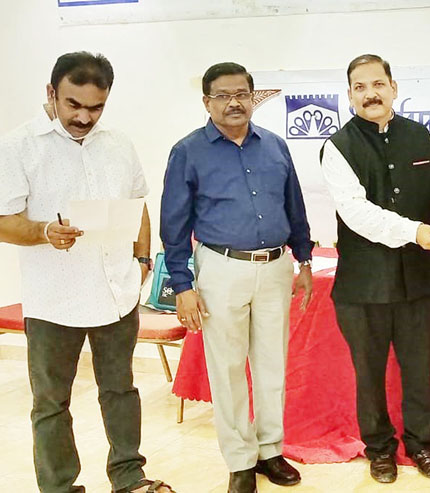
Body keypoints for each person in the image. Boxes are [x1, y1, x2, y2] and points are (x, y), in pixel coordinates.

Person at [0, 52, 173, 493]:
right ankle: (59, 487)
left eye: (96, 107)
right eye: (73, 105)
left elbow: (137, 205)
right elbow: (3, 221)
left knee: (121, 391)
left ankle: (129, 478)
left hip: (116, 292)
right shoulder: (19, 146)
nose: (83, 117)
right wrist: (44, 231)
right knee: (51, 402)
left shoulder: (118, 143)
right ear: (51, 93)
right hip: (53, 299)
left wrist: (142, 260)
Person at [159, 62, 313, 493]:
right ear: (206, 102)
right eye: (223, 96)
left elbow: (294, 206)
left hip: (276, 267)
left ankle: (270, 451)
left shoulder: (275, 147)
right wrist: (182, 286)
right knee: (227, 368)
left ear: (253, 97)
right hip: (221, 269)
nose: (234, 103)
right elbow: (174, 224)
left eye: (242, 94)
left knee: (272, 365)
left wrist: (303, 259)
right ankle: (240, 462)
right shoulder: (188, 152)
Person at [319, 54, 430, 484]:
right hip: (363, 286)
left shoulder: (422, 137)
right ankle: (379, 449)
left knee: (419, 370)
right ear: (349, 95)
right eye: (360, 87)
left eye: (378, 84)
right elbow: (356, 213)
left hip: (420, 280)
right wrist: (414, 230)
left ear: (394, 88)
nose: (370, 94)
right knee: (370, 374)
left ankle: (421, 444)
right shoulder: (337, 148)